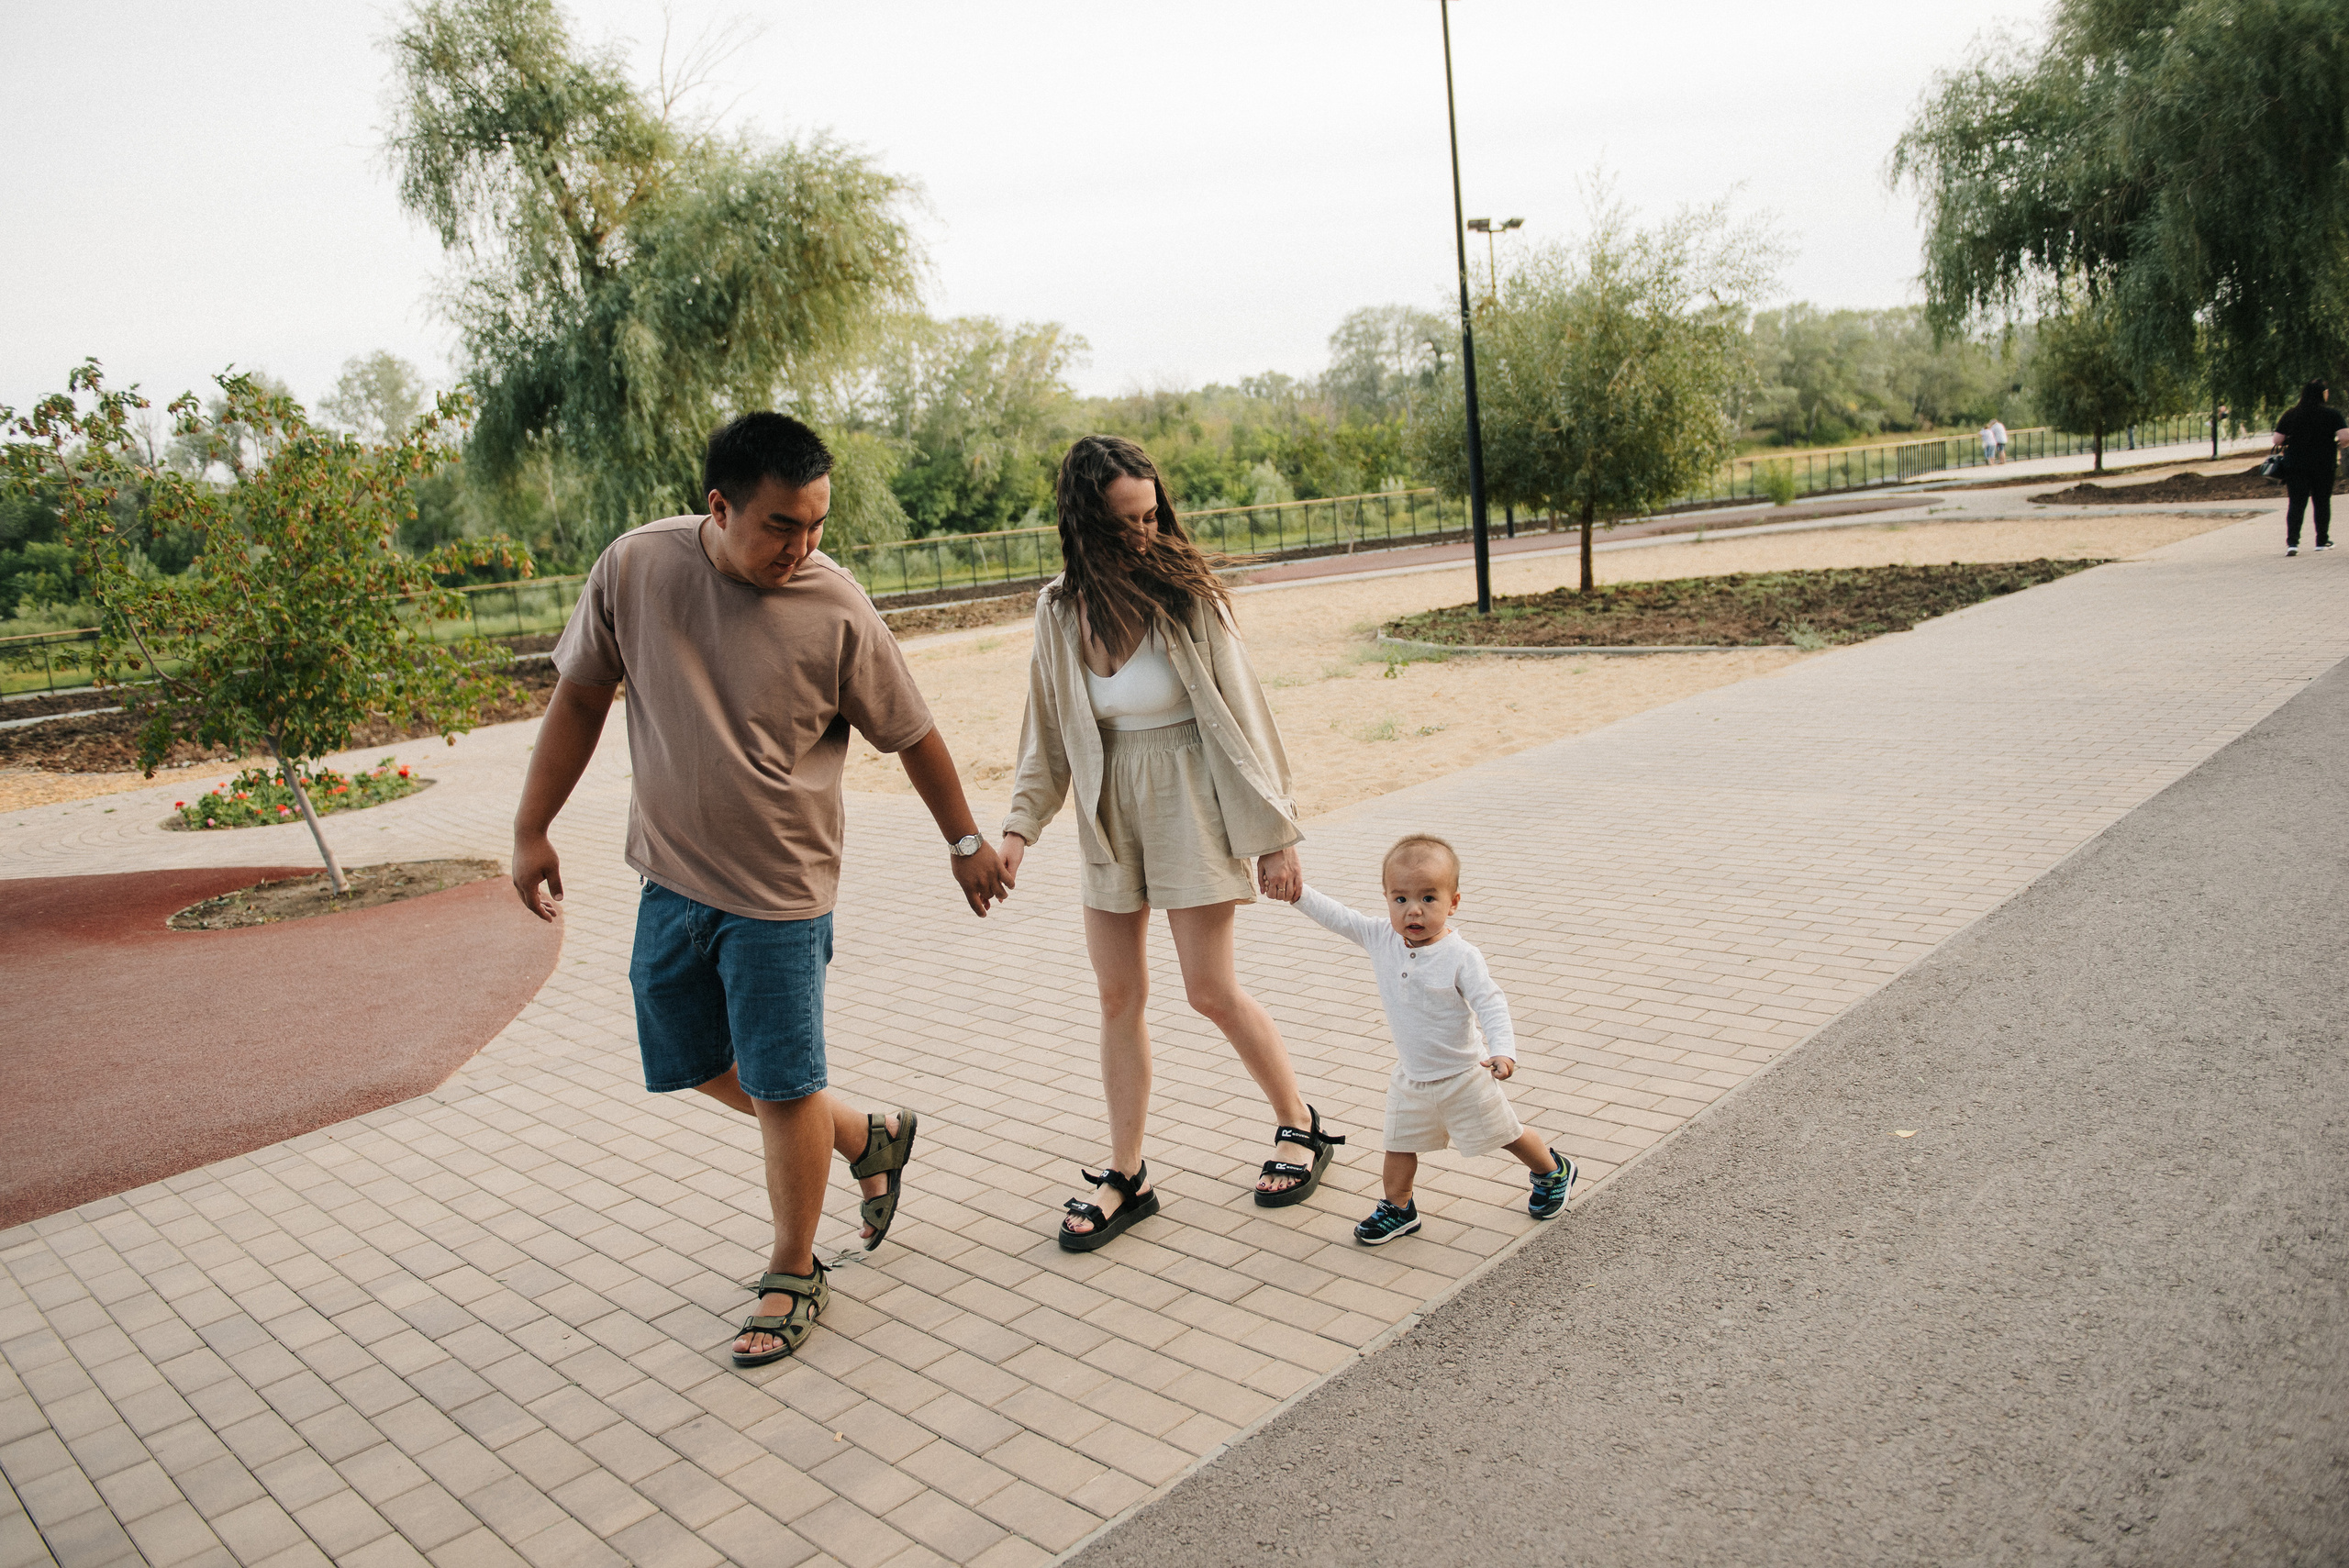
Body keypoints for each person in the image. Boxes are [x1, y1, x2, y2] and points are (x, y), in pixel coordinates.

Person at [513, 412, 1010, 1367]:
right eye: (783, 524)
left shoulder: (835, 602)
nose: (804, 545)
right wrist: (531, 828)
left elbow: (911, 731)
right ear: (719, 506)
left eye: (819, 522)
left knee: (785, 1080)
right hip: (668, 875)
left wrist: (964, 839)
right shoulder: (636, 568)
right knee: (690, 1056)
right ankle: (867, 1135)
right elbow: (578, 695)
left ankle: (793, 1267)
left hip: (784, 884)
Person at [1000, 434, 1344, 1251]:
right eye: (1127, 522)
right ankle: (1128, 1173)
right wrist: (1017, 831)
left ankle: (1302, 1125)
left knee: (1209, 990)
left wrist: (1274, 836)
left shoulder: (1188, 596)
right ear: (1085, 524)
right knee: (1118, 997)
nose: (1147, 534)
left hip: (1192, 796)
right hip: (1109, 808)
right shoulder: (1057, 610)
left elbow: (1246, 718)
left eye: (1153, 515)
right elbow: (1044, 738)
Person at [1272, 835, 1575, 1245]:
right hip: (1411, 1079)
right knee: (1398, 1145)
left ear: (1453, 903)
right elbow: (1337, 916)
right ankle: (1398, 1208)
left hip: (1465, 1075)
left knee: (1506, 1134)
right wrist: (1296, 893)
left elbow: (1491, 1003)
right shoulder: (1381, 937)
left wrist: (1503, 1050)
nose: (1413, 910)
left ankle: (1551, 1171)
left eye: (1429, 898)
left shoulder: (1461, 955)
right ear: (1387, 899)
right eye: (1400, 899)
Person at [2270, 380, 2349, 556]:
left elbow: (2277, 440)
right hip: (2323, 464)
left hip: (2295, 464)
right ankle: (2321, 541)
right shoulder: (2332, 414)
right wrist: (2339, 445)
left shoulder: (2291, 414)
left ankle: (2292, 543)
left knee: (2296, 503)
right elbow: (2345, 436)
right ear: (2322, 394)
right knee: (2322, 501)